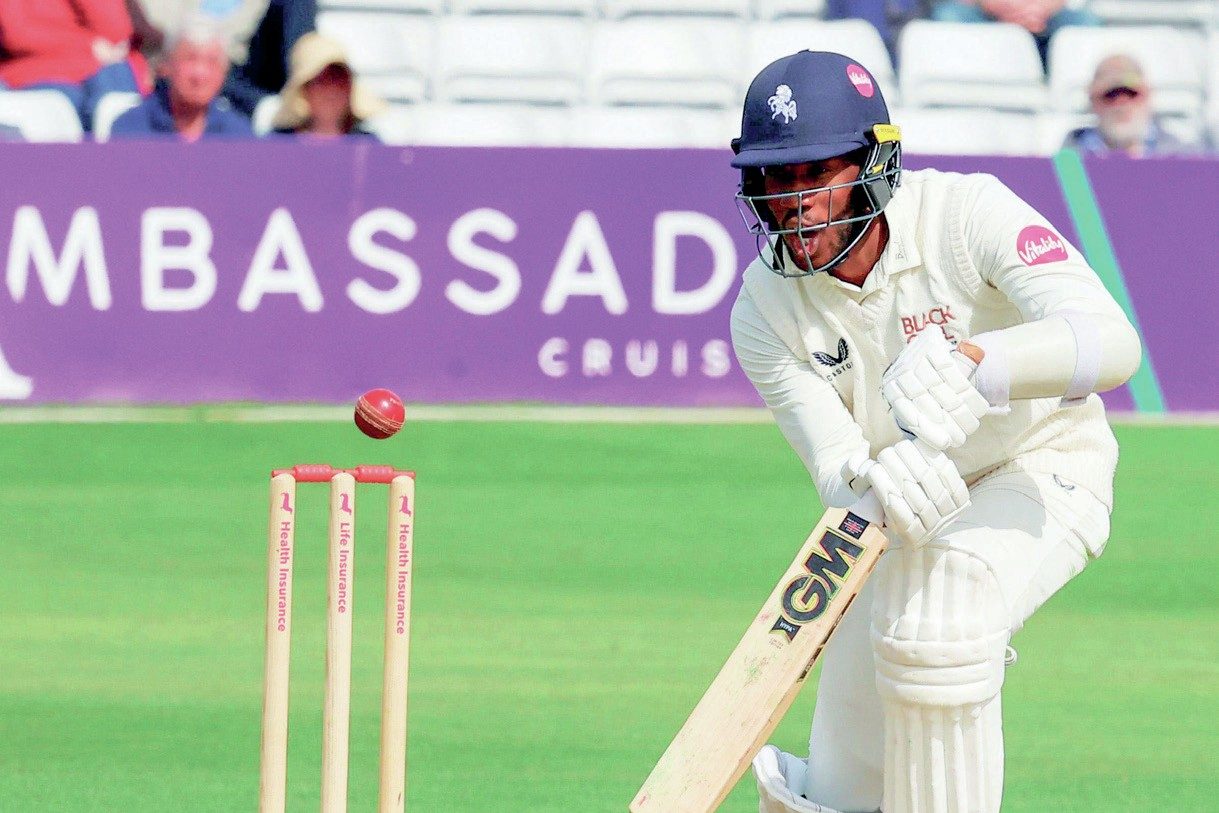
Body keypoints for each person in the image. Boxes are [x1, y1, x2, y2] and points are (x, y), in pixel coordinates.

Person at [728, 51, 1141, 813]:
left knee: (943, 621)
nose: (795, 202)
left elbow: (1112, 344)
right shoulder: (761, 307)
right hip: (903, 507)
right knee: (840, 786)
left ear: (873, 162)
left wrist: (977, 363)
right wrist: (871, 476)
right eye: (776, 178)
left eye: (817, 173)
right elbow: (834, 462)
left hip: (1039, 462)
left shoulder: (965, 213)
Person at [0, 0, 148, 130]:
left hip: (105, 71)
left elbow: (116, 31)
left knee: (119, 93)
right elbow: (18, 35)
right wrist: (88, 46)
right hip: (37, 78)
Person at [110, 16, 251, 140]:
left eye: (212, 62)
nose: (199, 74)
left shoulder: (240, 137)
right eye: (190, 59)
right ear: (166, 65)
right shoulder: (129, 130)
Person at [1063, 54, 1200, 157]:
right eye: (1110, 95)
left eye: (1132, 94)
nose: (1121, 105)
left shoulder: (1183, 158)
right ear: (1093, 100)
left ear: (1148, 96)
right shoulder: (1066, 163)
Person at [270, 32, 383, 139]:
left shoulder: (369, 145)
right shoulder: (277, 145)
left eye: (339, 79)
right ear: (303, 90)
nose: (332, 90)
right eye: (321, 81)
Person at [931, 0, 1097, 64]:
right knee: (948, 16)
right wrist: (1004, 7)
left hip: (1045, 15)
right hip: (985, 13)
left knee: (1084, 21)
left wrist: (1039, 8)